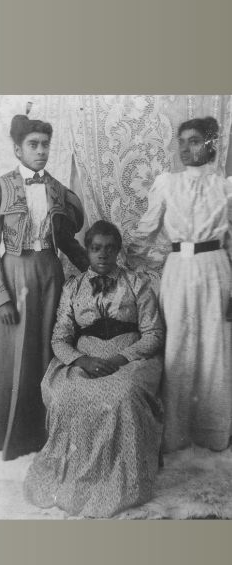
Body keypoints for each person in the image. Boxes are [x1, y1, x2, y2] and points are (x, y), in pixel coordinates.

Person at [0, 113, 89, 460]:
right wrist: (1, 296)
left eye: (45, 145)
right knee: (14, 357)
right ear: (18, 150)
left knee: (48, 352)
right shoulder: (1, 187)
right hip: (15, 277)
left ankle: (46, 437)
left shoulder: (55, 189)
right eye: (33, 145)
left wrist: (92, 272)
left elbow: (66, 239)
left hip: (50, 274)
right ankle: (8, 438)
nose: (40, 151)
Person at [23, 221, 164, 517]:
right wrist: (80, 360)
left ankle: (122, 481)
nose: (103, 254)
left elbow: (153, 334)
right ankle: (75, 474)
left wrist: (120, 359)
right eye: (96, 248)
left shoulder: (137, 283)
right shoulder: (73, 287)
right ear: (87, 250)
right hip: (85, 358)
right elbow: (59, 337)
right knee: (68, 394)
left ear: (118, 251)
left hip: (129, 358)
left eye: (109, 248)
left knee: (122, 397)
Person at [130, 116, 232, 453]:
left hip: (215, 266)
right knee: (177, 345)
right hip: (177, 269)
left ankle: (212, 431)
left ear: (210, 143)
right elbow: (146, 229)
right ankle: (175, 432)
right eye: (181, 141)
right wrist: (125, 261)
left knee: (214, 345)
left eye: (194, 141)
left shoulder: (224, 187)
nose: (185, 148)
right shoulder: (167, 184)